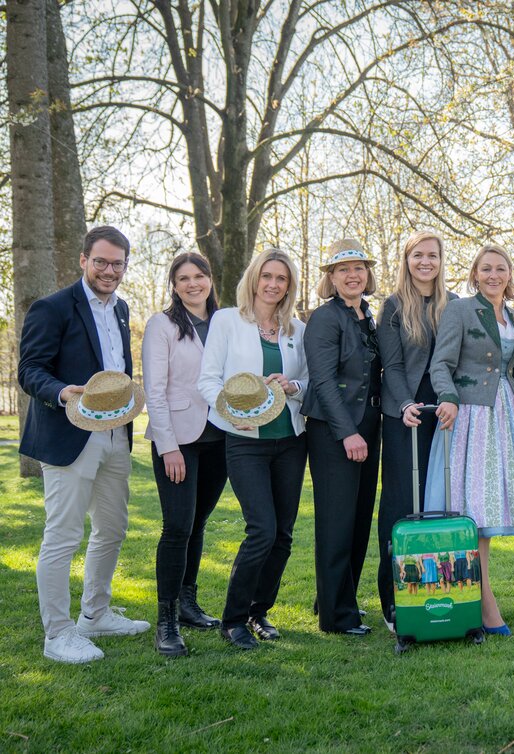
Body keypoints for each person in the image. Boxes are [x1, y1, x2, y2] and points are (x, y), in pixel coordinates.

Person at [18, 226, 151, 663]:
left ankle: (95, 615)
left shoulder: (121, 309)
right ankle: (58, 635)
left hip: (116, 434)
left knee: (112, 529)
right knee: (63, 536)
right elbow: (30, 369)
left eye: (117, 263)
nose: (109, 270)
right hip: (68, 434)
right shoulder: (52, 308)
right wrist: (62, 392)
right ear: (83, 260)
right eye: (101, 261)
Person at [198, 249, 308, 650]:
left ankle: (259, 612)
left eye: (281, 278)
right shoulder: (227, 320)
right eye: (267, 276)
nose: (273, 284)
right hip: (244, 440)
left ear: (288, 285)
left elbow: (310, 382)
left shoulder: (297, 329)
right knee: (261, 529)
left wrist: (294, 386)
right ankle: (232, 619)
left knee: (282, 534)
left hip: (290, 440)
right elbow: (208, 379)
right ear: (254, 279)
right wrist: (230, 414)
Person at [428, 244, 514, 635]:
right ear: (475, 274)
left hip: (505, 413)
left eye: (500, 269)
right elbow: (441, 363)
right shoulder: (458, 310)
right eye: (486, 269)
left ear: (509, 275)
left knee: (488, 512)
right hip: (470, 415)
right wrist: (449, 398)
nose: (493, 275)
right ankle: (485, 606)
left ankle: (477, 598)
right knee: (473, 511)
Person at [142, 252, 227, 657]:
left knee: (199, 521)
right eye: (183, 278)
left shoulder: (226, 322)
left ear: (211, 279)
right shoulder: (163, 325)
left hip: (221, 437)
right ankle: (168, 619)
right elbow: (155, 391)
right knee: (177, 526)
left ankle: (190, 603)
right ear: (174, 285)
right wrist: (168, 445)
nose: (193, 284)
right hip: (178, 438)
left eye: (199, 276)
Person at [376, 230, 456, 632]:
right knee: (399, 503)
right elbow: (389, 366)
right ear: (406, 260)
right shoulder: (392, 307)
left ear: (442, 261)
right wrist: (406, 404)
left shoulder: (454, 305)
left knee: (438, 499)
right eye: (417, 255)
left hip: (444, 415)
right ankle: (391, 599)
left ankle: (437, 588)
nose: (425, 262)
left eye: (433, 256)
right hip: (402, 415)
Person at [302, 239, 381, 636]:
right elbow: (323, 381)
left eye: (359, 268)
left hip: (368, 427)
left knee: (358, 519)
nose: (353, 275)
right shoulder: (324, 318)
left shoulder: (367, 314)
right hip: (334, 431)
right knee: (336, 520)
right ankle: (337, 618)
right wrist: (348, 433)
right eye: (343, 269)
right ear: (330, 278)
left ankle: (336, 598)